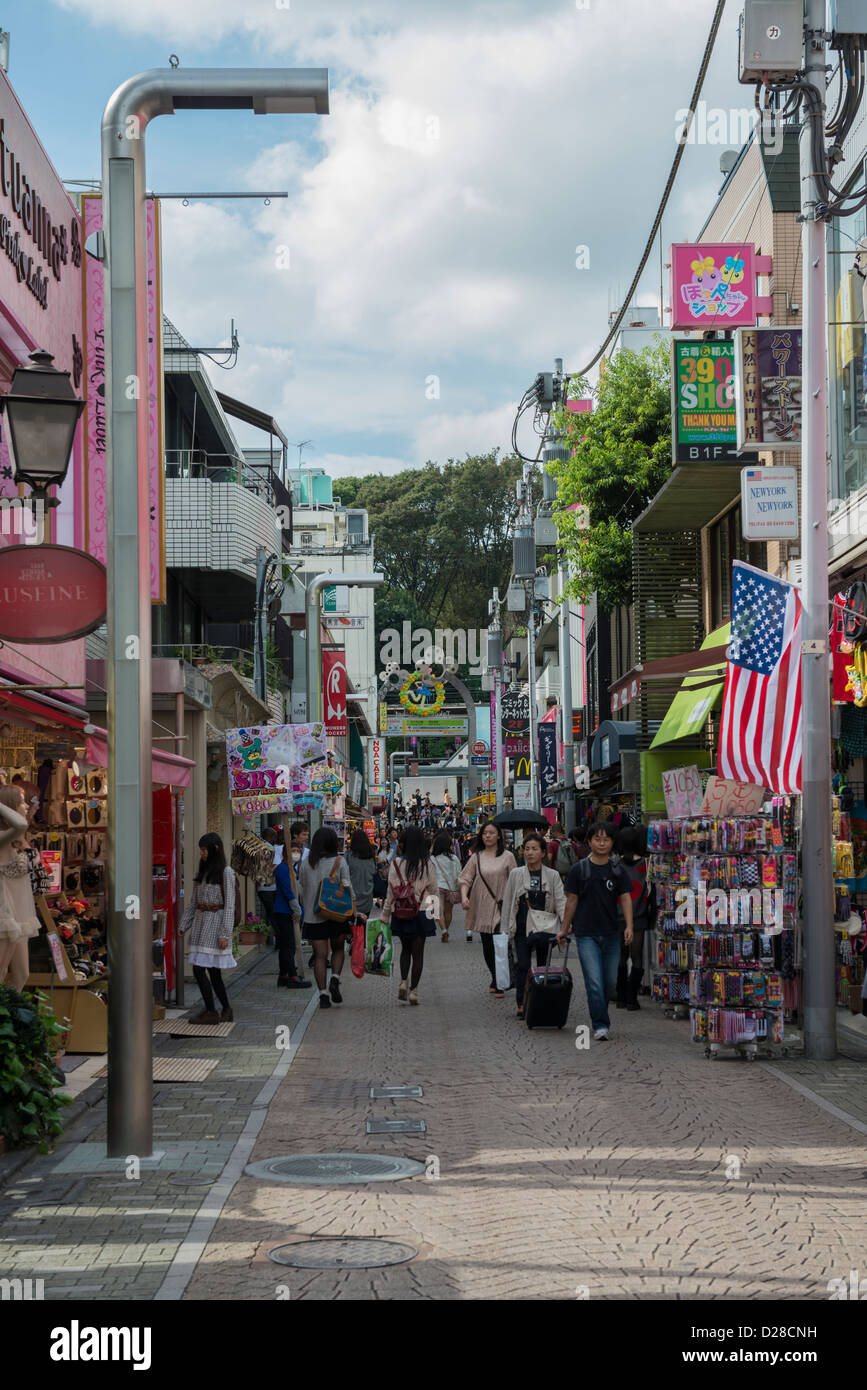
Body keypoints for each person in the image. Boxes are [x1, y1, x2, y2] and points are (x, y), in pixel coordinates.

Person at [557, 822, 633, 1041]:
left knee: (609, 982)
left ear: (612, 842)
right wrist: (564, 929)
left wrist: (629, 926)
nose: (602, 843)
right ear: (589, 841)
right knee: (595, 981)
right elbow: (571, 901)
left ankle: (600, 1012)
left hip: (611, 933)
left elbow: (626, 897)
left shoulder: (618, 870)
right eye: (597, 839)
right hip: (585, 934)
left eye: (606, 839)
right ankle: (600, 1023)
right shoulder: (578, 870)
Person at [501, 832, 567, 1018]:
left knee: (542, 965)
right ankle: (521, 1001)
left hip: (545, 928)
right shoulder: (516, 874)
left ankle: (540, 1000)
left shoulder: (552, 876)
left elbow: (561, 901)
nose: (529, 853)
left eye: (534, 849)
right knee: (522, 965)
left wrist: (566, 924)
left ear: (543, 853)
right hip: (522, 927)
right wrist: (505, 929)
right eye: (526, 849)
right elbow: (508, 901)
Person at [179, 832, 237, 1024]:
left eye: (205, 850)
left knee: (201, 970)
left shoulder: (226, 872)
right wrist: (183, 924)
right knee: (212, 972)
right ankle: (225, 1009)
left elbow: (229, 904)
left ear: (215, 849)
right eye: (201, 850)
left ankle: (212, 1011)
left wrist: (225, 933)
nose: (202, 854)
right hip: (200, 924)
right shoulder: (203, 873)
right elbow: (193, 902)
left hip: (215, 924)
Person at [297, 827, 354, 1009]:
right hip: (337, 915)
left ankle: (322, 995)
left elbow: (301, 889)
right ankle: (335, 979)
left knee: (320, 957)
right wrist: (354, 910)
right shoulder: (340, 861)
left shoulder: (306, 863)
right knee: (338, 949)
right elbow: (347, 887)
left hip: (314, 916)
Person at [381, 824, 439, 1004]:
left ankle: (403, 982)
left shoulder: (396, 863)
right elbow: (434, 890)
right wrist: (434, 914)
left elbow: (390, 892)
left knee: (405, 950)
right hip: (421, 912)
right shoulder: (427, 863)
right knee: (418, 954)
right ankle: (414, 991)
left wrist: (385, 914)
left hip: (401, 911)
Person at [458, 820, 516, 996]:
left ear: (499, 835)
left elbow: (515, 881)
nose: (488, 836)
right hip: (482, 904)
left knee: (501, 943)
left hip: (502, 905)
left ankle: (501, 981)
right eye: (485, 833)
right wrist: (463, 897)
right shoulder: (476, 856)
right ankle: (495, 976)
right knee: (488, 946)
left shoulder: (508, 856)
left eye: (491, 833)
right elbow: (465, 878)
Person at [0, 784, 40, 991]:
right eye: (22, 801)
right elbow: (19, 825)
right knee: (4, 971)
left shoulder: (17, 837)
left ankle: (10, 1016)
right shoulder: (5, 837)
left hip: (20, 907)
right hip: (6, 907)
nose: (27, 805)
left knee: (22, 973)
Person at [615, 825, 655, 1011]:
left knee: (620, 958)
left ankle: (621, 996)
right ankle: (632, 997)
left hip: (618, 918)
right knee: (637, 958)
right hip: (639, 917)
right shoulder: (647, 865)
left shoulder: (615, 865)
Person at [272, 850, 310, 989]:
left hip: (287, 910)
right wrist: (297, 909)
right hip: (284, 911)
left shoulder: (291, 868)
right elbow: (288, 891)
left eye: (298, 851)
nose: (296, 853)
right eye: (293, 851)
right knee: (289, 946)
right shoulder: (282, 869)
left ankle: (283, 976)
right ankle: (292, 977)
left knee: (286, 946)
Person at [431, 830, 461, 942]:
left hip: (437, 887)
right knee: (448, 912)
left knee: (438, 911)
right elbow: (459, 873)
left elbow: (430, 875)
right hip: (451, 887)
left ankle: (444, 931)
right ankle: (446, 930)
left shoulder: (433, 859)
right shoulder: (454, 858)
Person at [346, 827, 376, 937]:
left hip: (352, 898)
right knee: (362, 927)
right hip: (367, 898)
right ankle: (359, 947)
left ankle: (352, 941)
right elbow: (374, 872)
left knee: (350, 924)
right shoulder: (371, 857)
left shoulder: (349, 856)